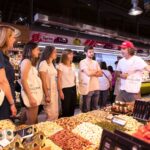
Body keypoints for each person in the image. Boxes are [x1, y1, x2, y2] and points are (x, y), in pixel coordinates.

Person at [0, 25, 20, 120]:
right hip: (4, 102)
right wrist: (12, 103)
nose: (14, 40)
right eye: (13, 37)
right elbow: (3, 81)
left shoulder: (3, 56)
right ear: (5, 38)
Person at [20, 42, 42, 125]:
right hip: (31, 94)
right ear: (31, 50)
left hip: (33, 93)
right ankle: (28, 137)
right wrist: (30, 97)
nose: (38, 52)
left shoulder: (29, 63)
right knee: (31, 122)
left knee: (33, 120)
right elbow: (23, 80)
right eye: (37, 49)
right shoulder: (27, 62)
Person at [79, 46, 102, 113]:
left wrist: (92, 72)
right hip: (87, 88)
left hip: (96, 87)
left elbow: (101, 74)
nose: (92, 53)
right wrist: (95, 71)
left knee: (95, 109)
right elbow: (88, 73)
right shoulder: (82, 62)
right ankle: (85, 123)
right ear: (85, 53)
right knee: (86, 110)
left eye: (93, 52)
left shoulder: (95, 62)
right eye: (90, 52)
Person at [38, 46, 59, 121]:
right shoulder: (43, 64)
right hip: (48, 91)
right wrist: (47, 95)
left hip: (54, 91)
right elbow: (43, 80)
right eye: (55, 52)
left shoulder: (52, 64)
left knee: (55, 113)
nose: (56, 54)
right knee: (50, 114)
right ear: (49, 53)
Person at [57, 49, 77, 117]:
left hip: (73, 87)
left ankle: (70, 123)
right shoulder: (61, 65)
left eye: (72, 54)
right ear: (65, 55)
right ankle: (65, 123)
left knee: (72, 107)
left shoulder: (73, 65)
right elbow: (59, 79)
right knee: (65, 109)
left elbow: (74, 77)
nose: (72, 55)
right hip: (65, 89)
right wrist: (60, 91)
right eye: (70, 54)